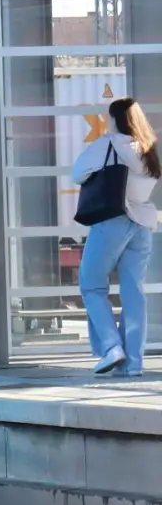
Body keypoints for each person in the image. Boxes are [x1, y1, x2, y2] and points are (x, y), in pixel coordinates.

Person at [72, 97, 161, 375]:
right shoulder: (148, 149)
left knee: (92, 285)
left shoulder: (107, 144)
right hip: (142, 224)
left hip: (112, 219)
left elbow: (77, 174)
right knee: (134, 293)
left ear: (115, 119)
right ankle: (133, 363)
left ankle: (111, 347)